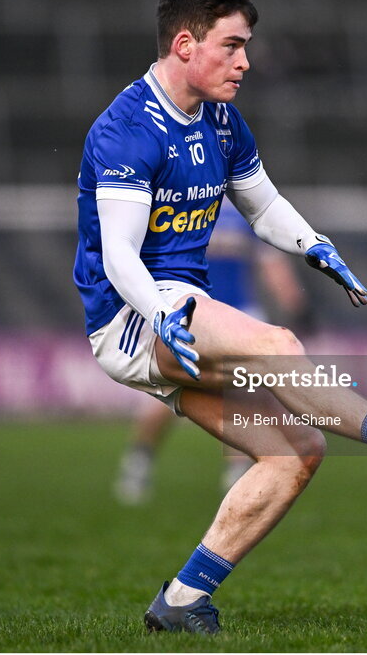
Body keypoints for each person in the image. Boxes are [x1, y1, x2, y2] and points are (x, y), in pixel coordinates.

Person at [73, 0, 367, 635]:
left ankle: (181, 599)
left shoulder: (223, 120)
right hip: (134, 315)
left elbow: (262, 204)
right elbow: (119, 256)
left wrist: (316, 245)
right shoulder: (125, 129)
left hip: (178, 310)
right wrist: (163, 315)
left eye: (246, 46)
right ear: (184, 43)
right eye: (232, 46)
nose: (245, 62)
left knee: (297, 451)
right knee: (280, 345)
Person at [113, 200, 306, 504]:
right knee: (168, 392)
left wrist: (294, 302)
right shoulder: (180, 201)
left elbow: (270, 262)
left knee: (244, 394)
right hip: (188, 311)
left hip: (238, 314)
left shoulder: (241, 206)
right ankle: (140, 459)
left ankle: (237, 472)